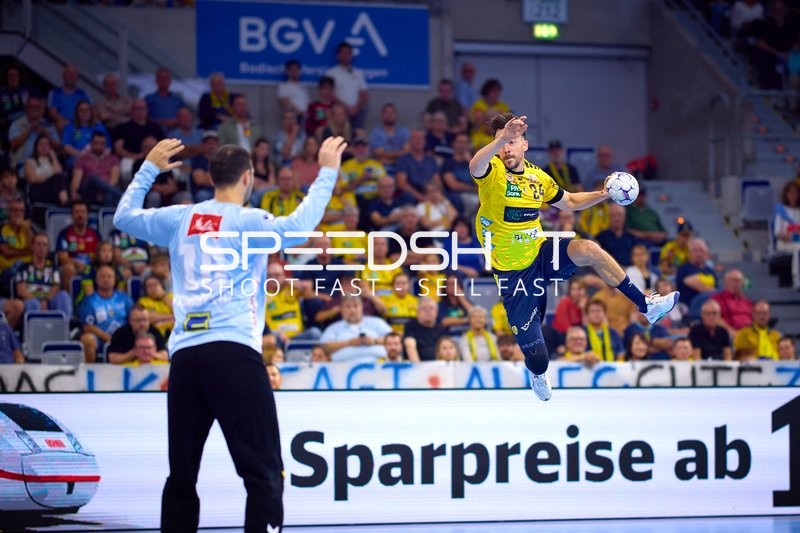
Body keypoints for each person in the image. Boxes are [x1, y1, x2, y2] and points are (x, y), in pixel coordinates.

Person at [113, 135, 347, 532]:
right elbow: (299, 226)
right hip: (233, 353)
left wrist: (149, 167)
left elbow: (123, 217)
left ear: (211, 177)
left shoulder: (180, 217)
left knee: (182, 476)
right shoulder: (248, 220)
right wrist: (327, 172)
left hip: (185, 359)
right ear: (248, 177)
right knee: (264, 472)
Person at [469, 113, 678, 400]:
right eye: (502, 142)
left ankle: (647, 306)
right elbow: (475, 165)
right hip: (513, 275)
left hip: (540, 253)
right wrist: (503, 136)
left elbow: (568, 201)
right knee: (538, 358)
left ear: (525, 145)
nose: (506, 148)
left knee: (588, 249)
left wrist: (603, 193)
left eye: (512, 141)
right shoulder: (491, 171)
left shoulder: (537, 177)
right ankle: (537, 373)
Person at [78, 265, 133, 363]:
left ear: (115, 279)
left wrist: (120, 338)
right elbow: (87, 327)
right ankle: (89, 369)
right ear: (96, 279)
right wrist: (108, 338)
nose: (106, 279)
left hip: (124, 339)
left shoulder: (125, 299)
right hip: (100, 339)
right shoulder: (89, 301)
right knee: (87, 339)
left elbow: (134, 319)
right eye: (102, 277)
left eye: (109, 276)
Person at [320, 295, 392, 362]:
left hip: (379, 366)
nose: (352, 310)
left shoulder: (376, 322)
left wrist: (374, 341)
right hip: (342, 367)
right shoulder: (334, 328)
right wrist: (349, 343)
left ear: (362, 308)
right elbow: (325, 347)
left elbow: (394, 338)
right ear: (342, 310)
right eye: (348, 307)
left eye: (356, 306)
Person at [15, 233, 72, 316]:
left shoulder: (53, 267)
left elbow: (56, 287)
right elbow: (21, 290)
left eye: (44, 245)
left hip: (49, 300)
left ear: (48, 248)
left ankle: (65, 323)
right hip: (31, 300)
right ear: (32, 246)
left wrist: (46, 300)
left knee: (64, 295)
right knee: (34, 304)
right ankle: (35, 324)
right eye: (38, 244)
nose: (41, 248)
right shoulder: (23, 268)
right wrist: (38, 301)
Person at [70, 131, 121, 206]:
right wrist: (73, 192)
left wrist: (103, 191)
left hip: (106, 192)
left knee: (109, 196)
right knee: (93, 178)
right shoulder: (83, 160)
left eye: (102, 143)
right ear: (91, 143)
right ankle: (121, 195)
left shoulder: (113, 159)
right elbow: (76, 178)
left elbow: (114, 179)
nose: (99, 146)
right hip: (89, 191)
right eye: (96, 143)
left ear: (105, 145)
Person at [56, 201, 100, 286]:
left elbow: (100, 254)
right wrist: (77, 264)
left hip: (92, 266)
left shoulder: (95, 234)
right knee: (68, 268)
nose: (80, 215)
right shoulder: (65, 233)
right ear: (71, 215)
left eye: (83, 212)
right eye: (77, 212)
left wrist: (89, 266)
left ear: (87, 215)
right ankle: (69, 295)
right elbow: (62, 257)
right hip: (74, 266)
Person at [325, 42, 368, 128]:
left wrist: (356, 108)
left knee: (357, 135)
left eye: (348, 53)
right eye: (343, 53)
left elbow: (364, 93)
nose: (346, 55)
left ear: (351, 55)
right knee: (339, 136)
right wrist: (345, 108)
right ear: (338, 55)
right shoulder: (331, 73)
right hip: (337, 114)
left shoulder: (358, 73)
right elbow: (329, 94)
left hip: (356, 114)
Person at [61, 100, 111, 166]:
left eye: (87, 110)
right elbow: (66, 147)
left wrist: (99, 156)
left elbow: (108, 147)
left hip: (99, 156)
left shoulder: (99, 127)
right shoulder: (69, 127)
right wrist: (82, 154)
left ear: (91, 112)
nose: (85, 113)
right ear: (76, 113)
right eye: (81, 111)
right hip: (78, 156)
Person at [23, 134, 69, 205]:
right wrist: (51, 178)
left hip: (52, 190)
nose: (44, 147)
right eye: (41, 144)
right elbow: (33, 179)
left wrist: (53, 157)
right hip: (37, 190)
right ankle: (65, 202)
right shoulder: (30, 161)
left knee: (62, 177)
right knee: (58, 179)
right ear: (36, 147)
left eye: (46, 144)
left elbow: (59, 173)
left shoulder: (53, 162)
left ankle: (64, 202)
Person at [47, 64, 91, 132]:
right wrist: (67, 123)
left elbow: (92, 110)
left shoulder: (84, 93)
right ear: (64, 75)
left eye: (74, 74)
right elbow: (52, 113)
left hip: (81, 124)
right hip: (64, 125)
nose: (72, 76)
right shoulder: (55, 93)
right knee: (60, 124)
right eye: (69, 74)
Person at [369, 102, 410, 174]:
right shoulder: (376, 132)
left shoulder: (404, 131)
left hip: (402, 167)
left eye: (392, 113)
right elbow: (379, 154)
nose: (389, 115)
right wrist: (398, 155)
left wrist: (390, 159)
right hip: (382, 168)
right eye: (386, 113)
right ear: (382, 115)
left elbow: (407, 151)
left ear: (396, 115)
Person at [403, 297, 447, 362]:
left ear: (437, 312)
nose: (428, 311)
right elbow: (410, 346)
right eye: (424, 308)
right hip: (418, 364)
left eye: (431, 308)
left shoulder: (441, 328)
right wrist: (418, 366)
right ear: (418, 312)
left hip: (439, 364)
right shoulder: (411, 326)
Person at [711, 269, 753, 336]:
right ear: (725, 282)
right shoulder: (716, 299)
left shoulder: (747, 301)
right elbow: (714, 318)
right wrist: (730, 331)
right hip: (729, 334)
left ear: (742, 283)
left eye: (738, 281)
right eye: (732, 280)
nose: (735, 284)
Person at [676, 238, 717, 306]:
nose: (698, 254)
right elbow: (699, 286)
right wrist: (716, 293)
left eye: (701, 251)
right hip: (690, 305)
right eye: (695, 250)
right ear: (689, 253)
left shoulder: (710, 271)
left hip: (709, 305)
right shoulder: (684, 269)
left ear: (706, 254)